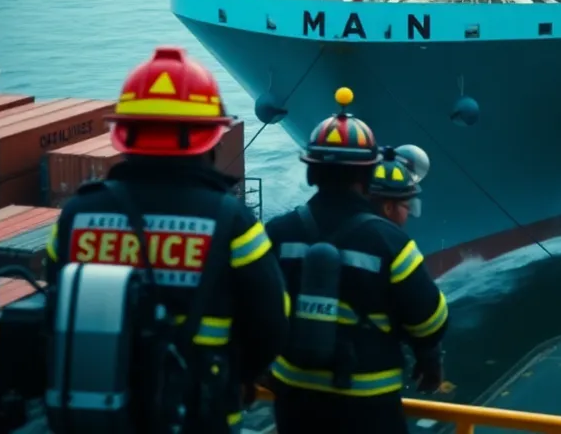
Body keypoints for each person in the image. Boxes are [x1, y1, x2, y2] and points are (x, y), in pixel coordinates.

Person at [43, 46, 290, 432]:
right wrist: (241, 375)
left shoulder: (76, 217)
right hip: (200, 417)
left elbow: (54, 307)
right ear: (210, 139)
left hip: (95, 419)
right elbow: (272, 323)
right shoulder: (232, 223)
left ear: (124, 134)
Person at [265, 88, 448, 434]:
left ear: (311, 173)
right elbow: (431, 321)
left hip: (293, 398)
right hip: (368, 402)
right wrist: (429, 359)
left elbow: (255, 308)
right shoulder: (391, 242)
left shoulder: (277, 233)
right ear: (367, 177)